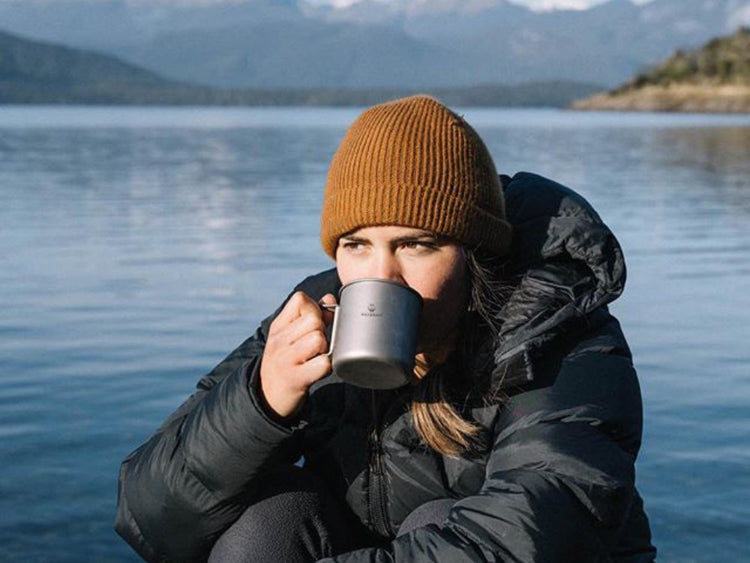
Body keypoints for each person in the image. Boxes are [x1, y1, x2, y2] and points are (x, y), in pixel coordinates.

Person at [115, 95, 656, 562]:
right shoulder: (319, 311)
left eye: (416, 244)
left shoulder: (558, 334)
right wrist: (262, 398)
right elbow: (150, 518)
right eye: (357, 245)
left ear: (474, 252)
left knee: (440, 518)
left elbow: (535, 534)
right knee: (268, 522)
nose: (380, 276)